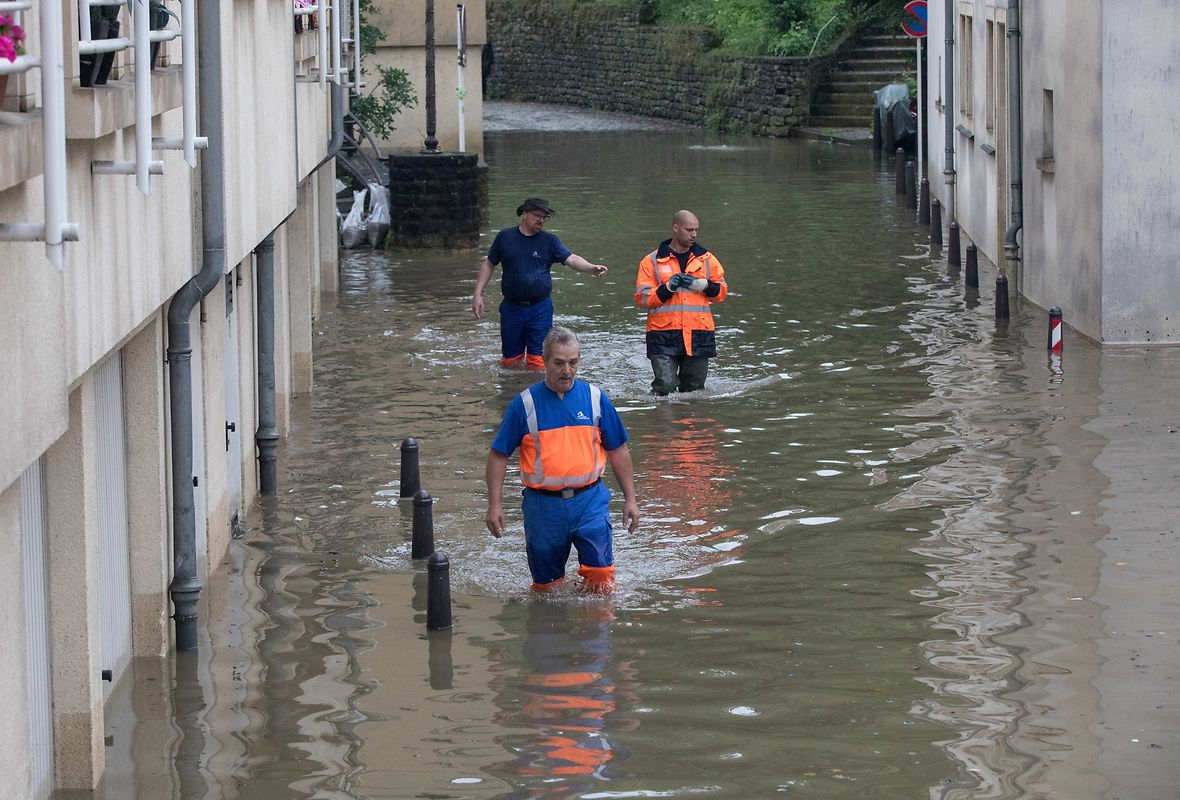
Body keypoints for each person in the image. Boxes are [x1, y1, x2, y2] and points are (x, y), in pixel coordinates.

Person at [484, 326, 639, 592]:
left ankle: (596, 631)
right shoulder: (524, 405)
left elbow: (618, 451)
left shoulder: (595, 399)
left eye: (573, 362)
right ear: (544, 361)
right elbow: (498, 455)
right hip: (543, 508)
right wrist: (494, 505)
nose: (567, 370)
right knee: (547, 589)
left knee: (601, 577)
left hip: (590, 501)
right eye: (559, 363)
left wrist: (631, 499)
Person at [473, 197, 609, 370]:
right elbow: (489, 264)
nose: (541, 220)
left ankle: (537, 391)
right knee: (510, 361)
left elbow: (571, 259)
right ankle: (511, 391)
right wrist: (478, 294)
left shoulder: (549, 241)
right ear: (524, 214)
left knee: (538, 360)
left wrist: (591, 268)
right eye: (538, 215)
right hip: (511, 308)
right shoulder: (505, 237)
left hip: (540, 308)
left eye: (545, 217)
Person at [634, 210, 728, 395]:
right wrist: (667, 288)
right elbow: (642, 299)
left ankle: (689, 422)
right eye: (689, 229)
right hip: (662, 334)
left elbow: (721, 293)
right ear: (676, 228)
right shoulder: (651, 261)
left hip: (699, 334)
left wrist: (705, 285)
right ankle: (661, 419)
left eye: (696, 230)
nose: (694, 234)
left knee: (694, 391)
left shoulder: (707, 260)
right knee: (665, 386)